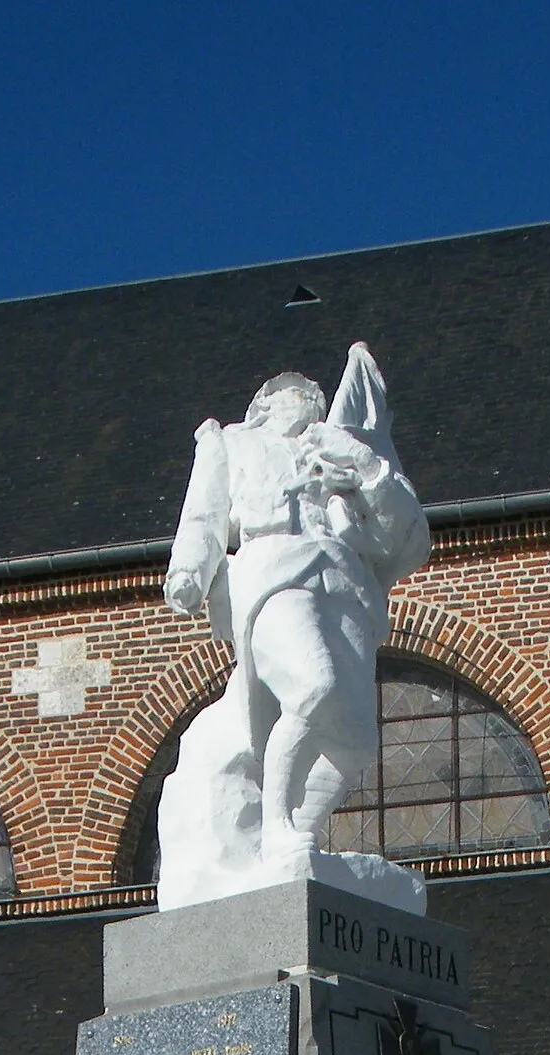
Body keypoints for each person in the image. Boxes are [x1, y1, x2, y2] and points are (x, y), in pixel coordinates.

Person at [157, 345, 429, 905]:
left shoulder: (338, 451)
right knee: (315, 688)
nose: (301, 400)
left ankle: (292, 836)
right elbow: (204, 516)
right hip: (273, 571)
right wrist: (189, 570)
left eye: (310, 395)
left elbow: (401, 536)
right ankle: (279, 827)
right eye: (286, 393)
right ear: (262, 406)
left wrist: (359, 472)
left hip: (345, 584)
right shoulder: (230, 443)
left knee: (352, 739)